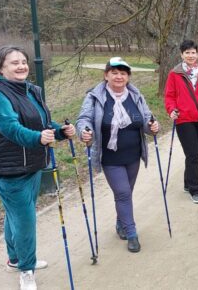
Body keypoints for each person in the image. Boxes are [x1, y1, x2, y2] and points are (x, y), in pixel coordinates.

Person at [0, 45, 76, 290]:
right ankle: (26, 270)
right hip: (8, 169)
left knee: (18, 214)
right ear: (1, 67)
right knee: (25, 220)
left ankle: (15, 259)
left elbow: (41, 122)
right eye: (14, 62)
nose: (21, 66)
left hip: (31, 163)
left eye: (23, 61)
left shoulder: (30, 90)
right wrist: (37, 139)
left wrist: (60, 132)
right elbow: (9, 127)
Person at [76, 57, 159, 253]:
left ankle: (121, 223)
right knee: (122, 193)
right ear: (106, 75)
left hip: (133, 155)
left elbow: (147, 119)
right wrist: (84, 131)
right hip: (110, 157)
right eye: (114, 72)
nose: (119, 76)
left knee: (125, 194)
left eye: (123, 73)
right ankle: (131, 233)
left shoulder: (135, 95)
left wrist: (153, 127)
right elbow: (84, 119)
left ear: (128, 77)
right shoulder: (94, 97)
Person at [164, 40, 198, 203]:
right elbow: (169, 96)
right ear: (182, 54)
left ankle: (188, 182)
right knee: (193, 154)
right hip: (184, 119)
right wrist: (171, 109)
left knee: (195, 153)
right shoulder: (174, 74)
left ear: (197, 54)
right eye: (187, 52)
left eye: (193, 52)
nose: (190, 55)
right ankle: (195, 189)